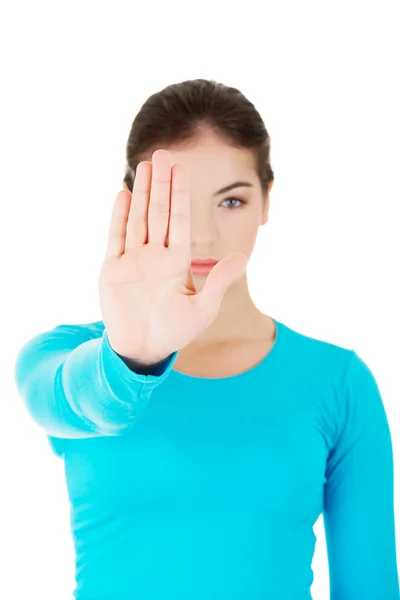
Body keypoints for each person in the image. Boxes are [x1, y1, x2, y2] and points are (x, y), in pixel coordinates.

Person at [14, 79, 399, 599]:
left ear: (266, 201)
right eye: (178, 201)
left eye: (231, 201)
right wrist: (133, 357)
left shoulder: (339, 382)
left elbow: (371, 588)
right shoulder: (63, 356)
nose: (201, 235)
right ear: (135, 203)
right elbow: (75, 400)